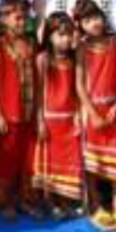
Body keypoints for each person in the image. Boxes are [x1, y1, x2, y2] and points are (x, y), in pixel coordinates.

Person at [74, 0, 116, 228]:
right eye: (87, 20)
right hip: (91, 109)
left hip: (112, 109)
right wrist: (91, 112)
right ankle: (96, 204)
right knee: (92, 162)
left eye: (97, 17)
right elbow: (79, 83)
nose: (94, 23)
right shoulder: (82, 47)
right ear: (81, 25)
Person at [0, 0, 40, 220]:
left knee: (27, 158)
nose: (21, 22)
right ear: (3, 19)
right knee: (7, 159)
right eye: (16, 18)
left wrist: (39, 113)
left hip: (29, 112)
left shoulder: (32, 44)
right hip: (8, 113)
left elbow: (39, 80)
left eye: (24, 17)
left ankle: (25, 199)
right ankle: (4, 202)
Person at [32, 12, 84, 218]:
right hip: (49, 119)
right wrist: (39, 120)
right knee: (48, 163)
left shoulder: (74, 60)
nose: (66, 39)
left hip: (69, 119)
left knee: (68, 163)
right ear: (49, 36)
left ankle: (64, 201)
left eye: (69, 35)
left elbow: (78, 89)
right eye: (60, 35)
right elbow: (37, 93)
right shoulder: (42, 59)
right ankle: (49, 201)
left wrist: (79, 113)